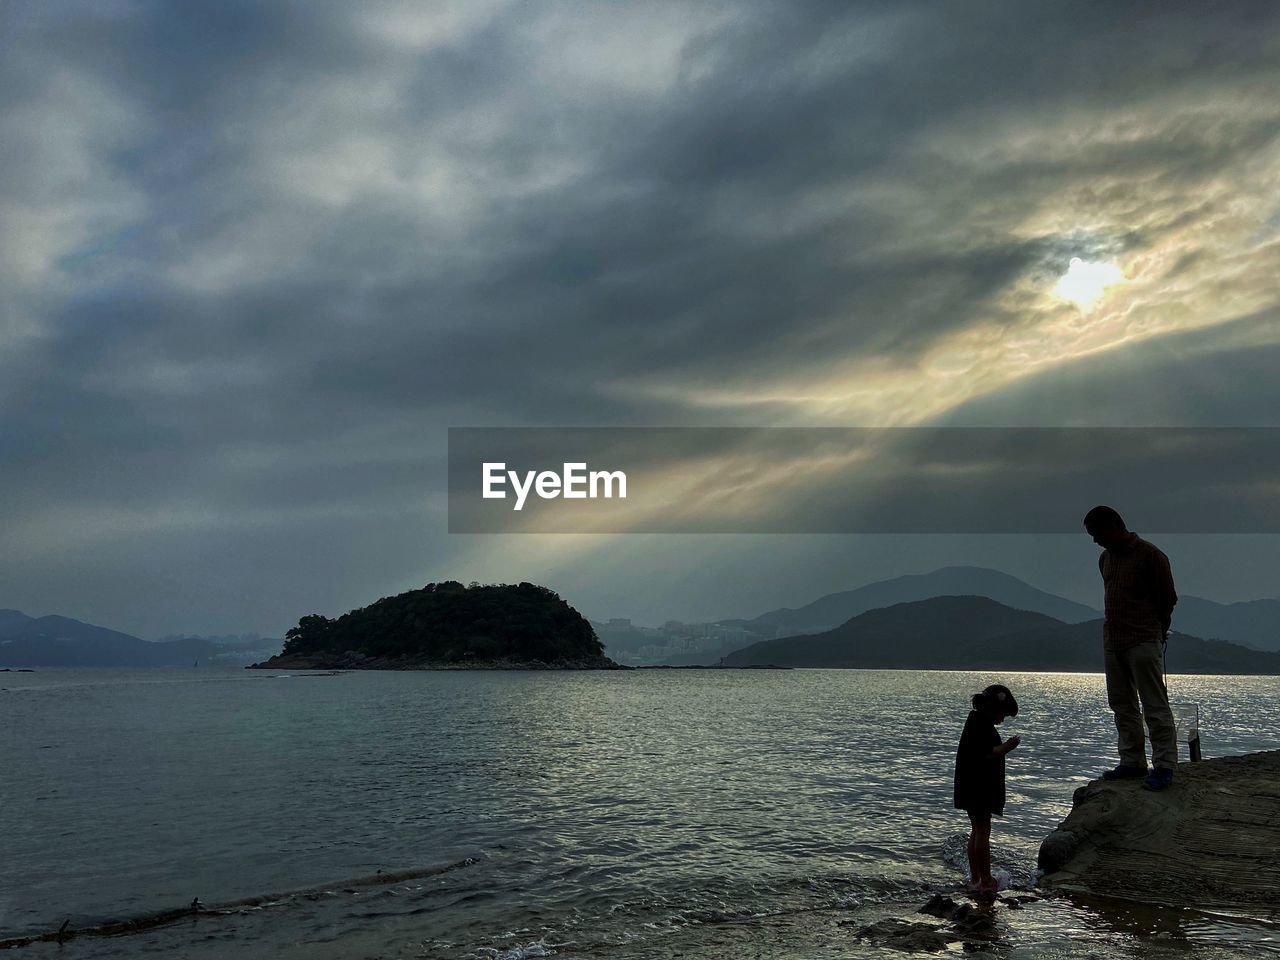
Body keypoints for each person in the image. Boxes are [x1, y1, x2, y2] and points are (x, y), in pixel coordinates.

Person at [1083, 505, 1179, 791]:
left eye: (1096, 533)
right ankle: (1132, 762)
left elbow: (1168, 599)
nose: (1095, 541)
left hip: (1143, 639)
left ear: (1113, 526)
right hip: (1113, 641)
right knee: (1122, 705)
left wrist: (1156, 631)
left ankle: (1164, 765)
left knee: (1154, 704)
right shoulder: (1105, 560)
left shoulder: (1151, 556)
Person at [953, 684, 1020, 896]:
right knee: (982, 832)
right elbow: (987, 753)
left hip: (970, 788)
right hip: (979, 789)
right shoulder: (980, 725)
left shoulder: (974, 722)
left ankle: (975, 878)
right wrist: (1008, 747)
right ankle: (986, 879)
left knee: (976, 831)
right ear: (992, 708)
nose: (1002, 720)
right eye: (1002, 715)